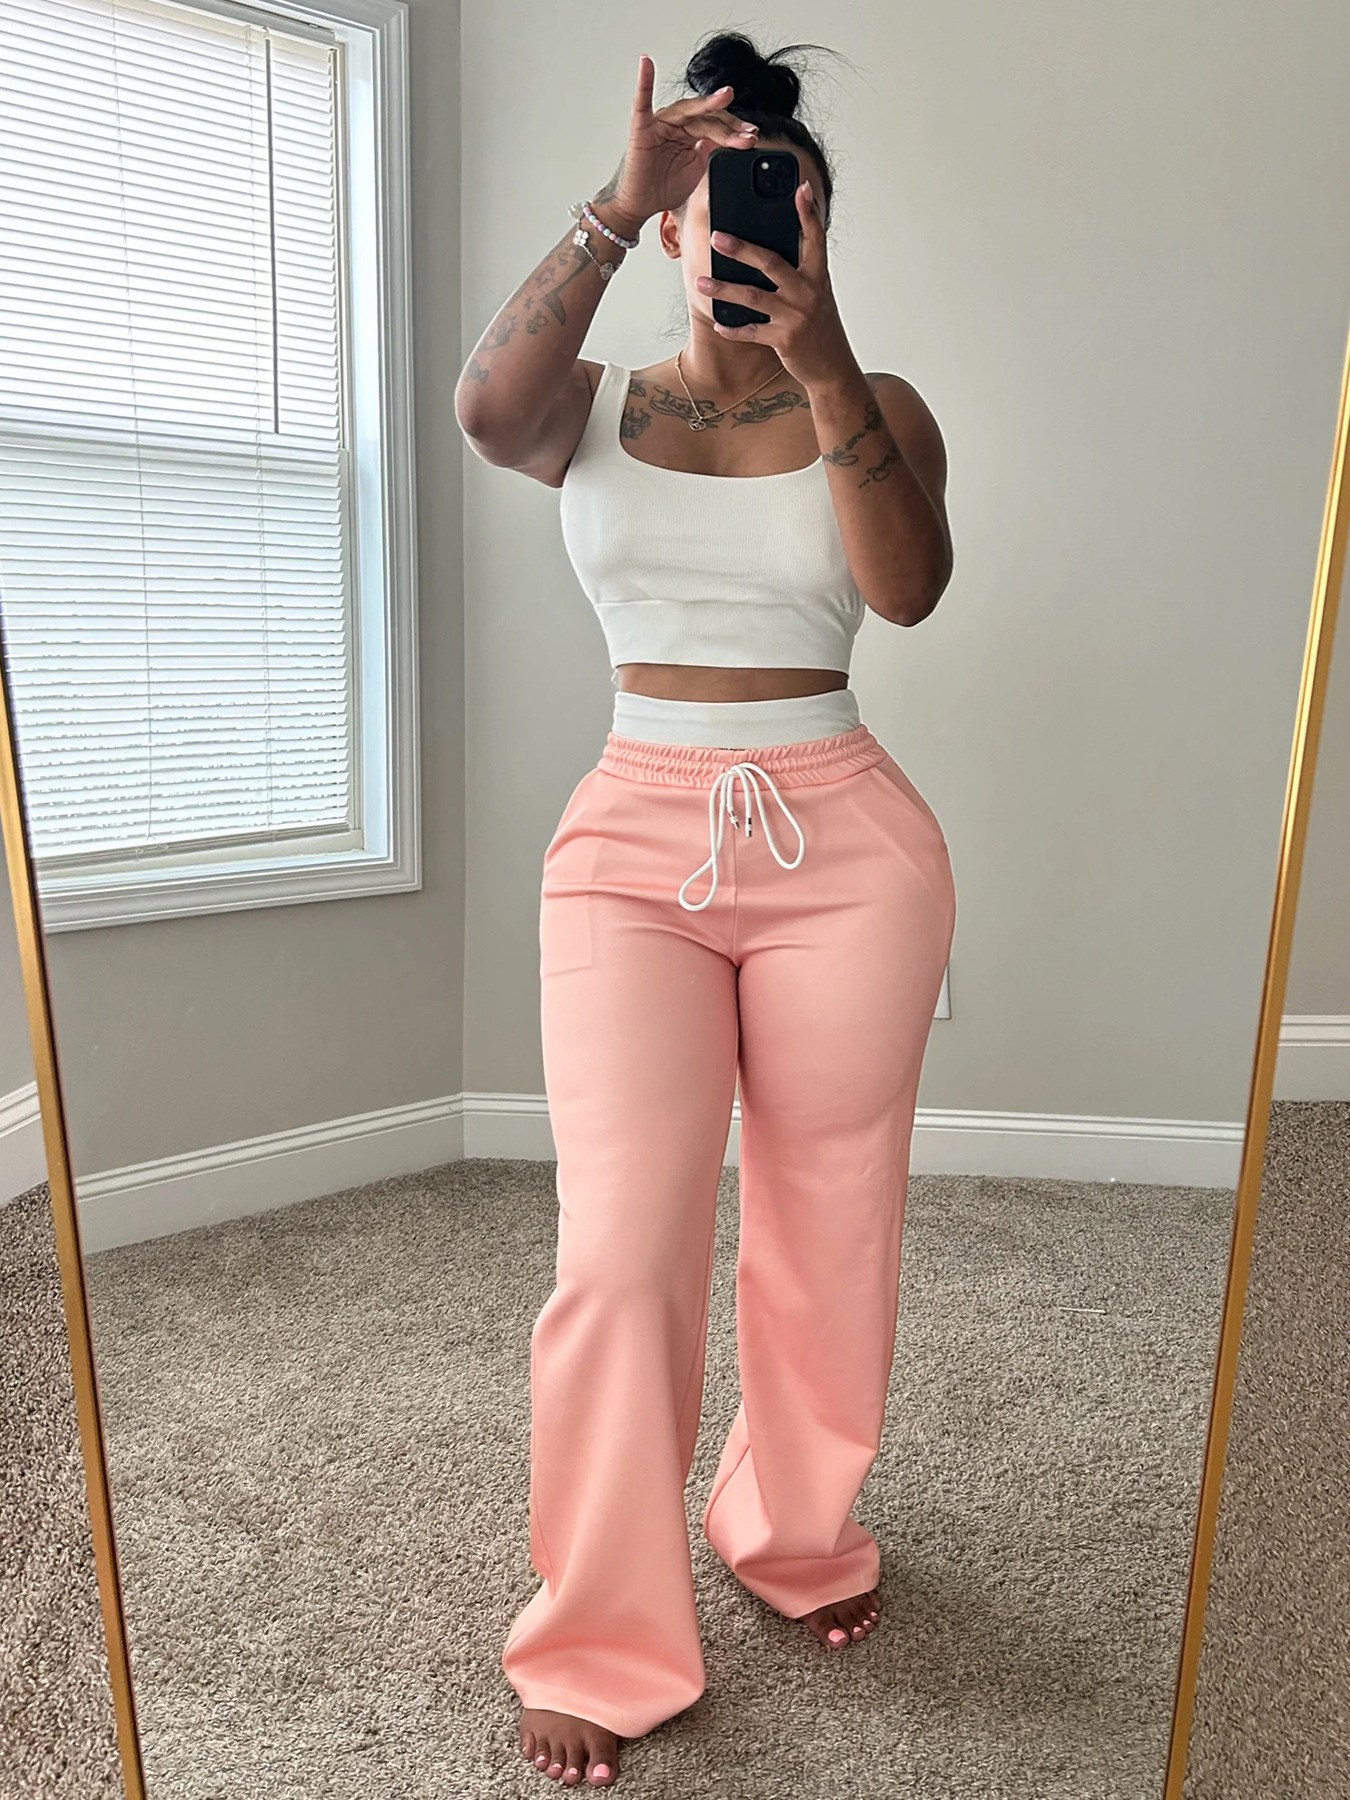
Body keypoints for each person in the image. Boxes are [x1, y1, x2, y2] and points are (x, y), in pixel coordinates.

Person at [455, 29, 956, 1789]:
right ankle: (598, 1631)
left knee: (827, 1218)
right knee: (620, 1249)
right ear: (679, 223)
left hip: (845, 839)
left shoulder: (877, 403)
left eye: (784, 207)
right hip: (632, 841)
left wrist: (820, 357)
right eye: (720, 204)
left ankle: (792, 1527)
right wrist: (612, 200)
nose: (746, 231)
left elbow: (906, 591)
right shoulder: (592, 406)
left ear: (816, 231)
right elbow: (484, 415)